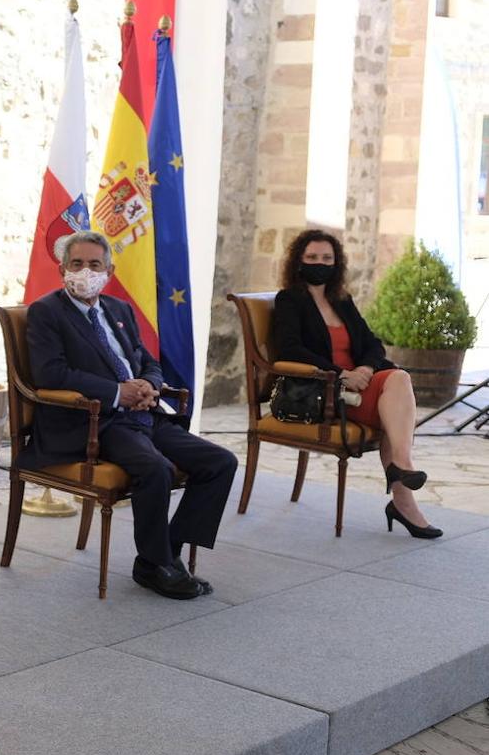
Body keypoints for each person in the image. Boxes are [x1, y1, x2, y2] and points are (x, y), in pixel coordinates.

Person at [22, 231, 237, 600]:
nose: (85, 272)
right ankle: (158, 565)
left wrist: (149, 386)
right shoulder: (47, 312)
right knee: (155, 469)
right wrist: (117, 393)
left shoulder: (119, 310)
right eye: (77, 264)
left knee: (220, 462)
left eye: (94, 264)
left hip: (143, 416)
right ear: (62, 268)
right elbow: (50, 374)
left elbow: (147, 360)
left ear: (109, 270)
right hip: (93, 422)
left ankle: (165, 555)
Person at [272, 229, 441, 539]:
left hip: (360, 384)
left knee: (398, 379)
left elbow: (372, 344)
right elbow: (290, 348)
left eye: (327, 258)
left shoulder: (341, 300)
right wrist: (341, 373)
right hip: (328, 390)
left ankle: (401, 476)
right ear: (298, 261)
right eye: (312, 257)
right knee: (396, 407)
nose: (319, 263)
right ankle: (404, 497)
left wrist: (364, 367)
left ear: (336, 264)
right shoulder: (290, 300)